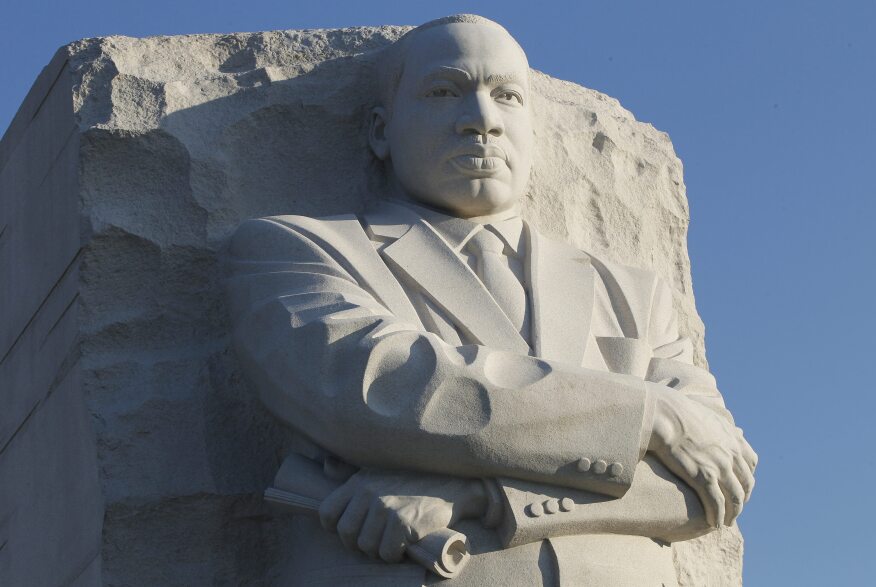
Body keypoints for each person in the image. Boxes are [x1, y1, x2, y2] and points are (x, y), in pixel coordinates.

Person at [226, 14, 757, 586]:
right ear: (381, 130)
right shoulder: (296, 250)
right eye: (444, 91)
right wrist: (649, 414)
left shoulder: (631, 291)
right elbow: (388, 387)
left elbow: (708, 485)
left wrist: (477, 494)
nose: (481, 121)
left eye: (506, 96)